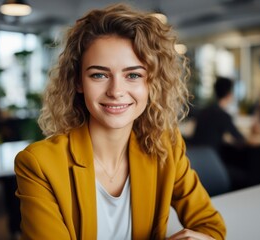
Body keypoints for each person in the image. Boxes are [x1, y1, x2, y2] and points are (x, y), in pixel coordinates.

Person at [14, 4, 225, 240]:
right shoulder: (38, 164)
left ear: (151, 83)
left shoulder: (165, 146)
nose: (116, 91)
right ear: (78, 82)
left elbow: (211, 225)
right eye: (99, 75)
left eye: (133, 75)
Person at [190, 76, 246, 150]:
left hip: (195, 155)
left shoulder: (204, 111)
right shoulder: (224, 116)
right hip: (212, 157)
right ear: (229, 94)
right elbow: (240, 138)